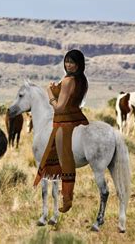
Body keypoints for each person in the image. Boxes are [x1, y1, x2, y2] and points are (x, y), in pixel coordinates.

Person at [34, 49, 89, 213]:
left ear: (78, 64)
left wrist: (50, 93)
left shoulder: (67, 81)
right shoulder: (82, 80)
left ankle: (67, 199)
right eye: (67, 61)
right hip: (79, 118)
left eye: (72, 62)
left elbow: (59, 108)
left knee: (66, 162)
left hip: (64, 123)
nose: (69, 65)